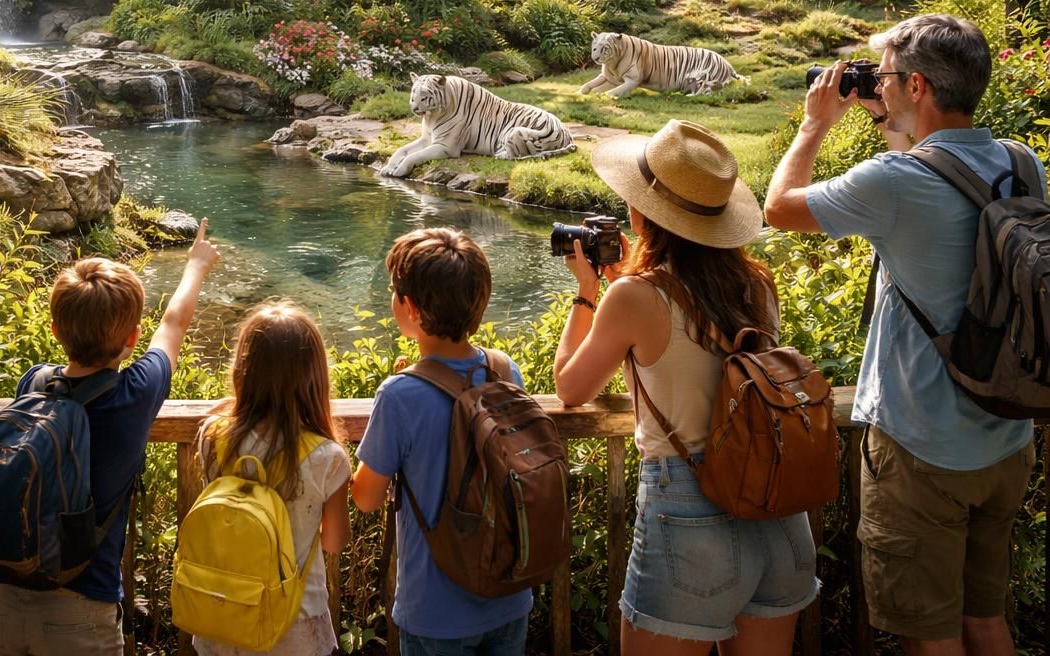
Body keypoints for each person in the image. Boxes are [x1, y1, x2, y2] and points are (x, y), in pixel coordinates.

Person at [764, 14, 1042, 656]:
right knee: (984, 620)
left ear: (917, 85)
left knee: (930, 636)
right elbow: (938, 181)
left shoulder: (892, 184)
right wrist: (891, 113)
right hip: (1006, 436)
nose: (876, 86)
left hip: (924, 454)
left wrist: (815, 124)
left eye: (886, 77)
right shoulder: (1022, 165)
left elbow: (779, 208)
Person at [553, 119, 817, 654]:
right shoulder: (757, 283)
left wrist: (588, 293)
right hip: (776, 505)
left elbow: (571, 388)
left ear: (641, 211)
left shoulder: (632, 295)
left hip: (688, 507)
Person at [0, 219, 221, 656]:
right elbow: (174, 324)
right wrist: (196, 265)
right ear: (132, 338)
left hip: (6, 594)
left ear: (55, 331)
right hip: (81, 609)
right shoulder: (134, 395)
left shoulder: (34, 384)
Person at [350, 227, 533, 656]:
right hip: (508, 593)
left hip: (435, 609)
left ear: (409, 308)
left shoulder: (398, 396)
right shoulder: (506, 372)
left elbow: (366, 497)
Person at [192, 300, 350, 656]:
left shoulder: (213, 438)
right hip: (295, 623)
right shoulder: (327, 458)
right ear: (314, 377)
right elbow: (335, 541)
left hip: (223, 615)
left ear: (242, 370)